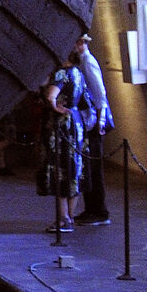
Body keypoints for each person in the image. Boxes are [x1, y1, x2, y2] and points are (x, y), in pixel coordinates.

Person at [36, 58, 88, 230]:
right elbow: (85, 101)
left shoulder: (61, 73)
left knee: (60, 168)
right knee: (74, 170)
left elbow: (51, 95)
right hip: (76, 123)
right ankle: (70, 216)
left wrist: (53, 106)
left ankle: (63, 218)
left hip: (61, 125)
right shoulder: (78, 73)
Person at [73, 29, 112, 224]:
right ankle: (92, 208)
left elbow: (99, 93)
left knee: (93, 168)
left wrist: (100, 121)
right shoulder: (83, 62)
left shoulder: (88, 62)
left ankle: (99, 210)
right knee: (89, 167)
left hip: (93, 123)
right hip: (90, 121)